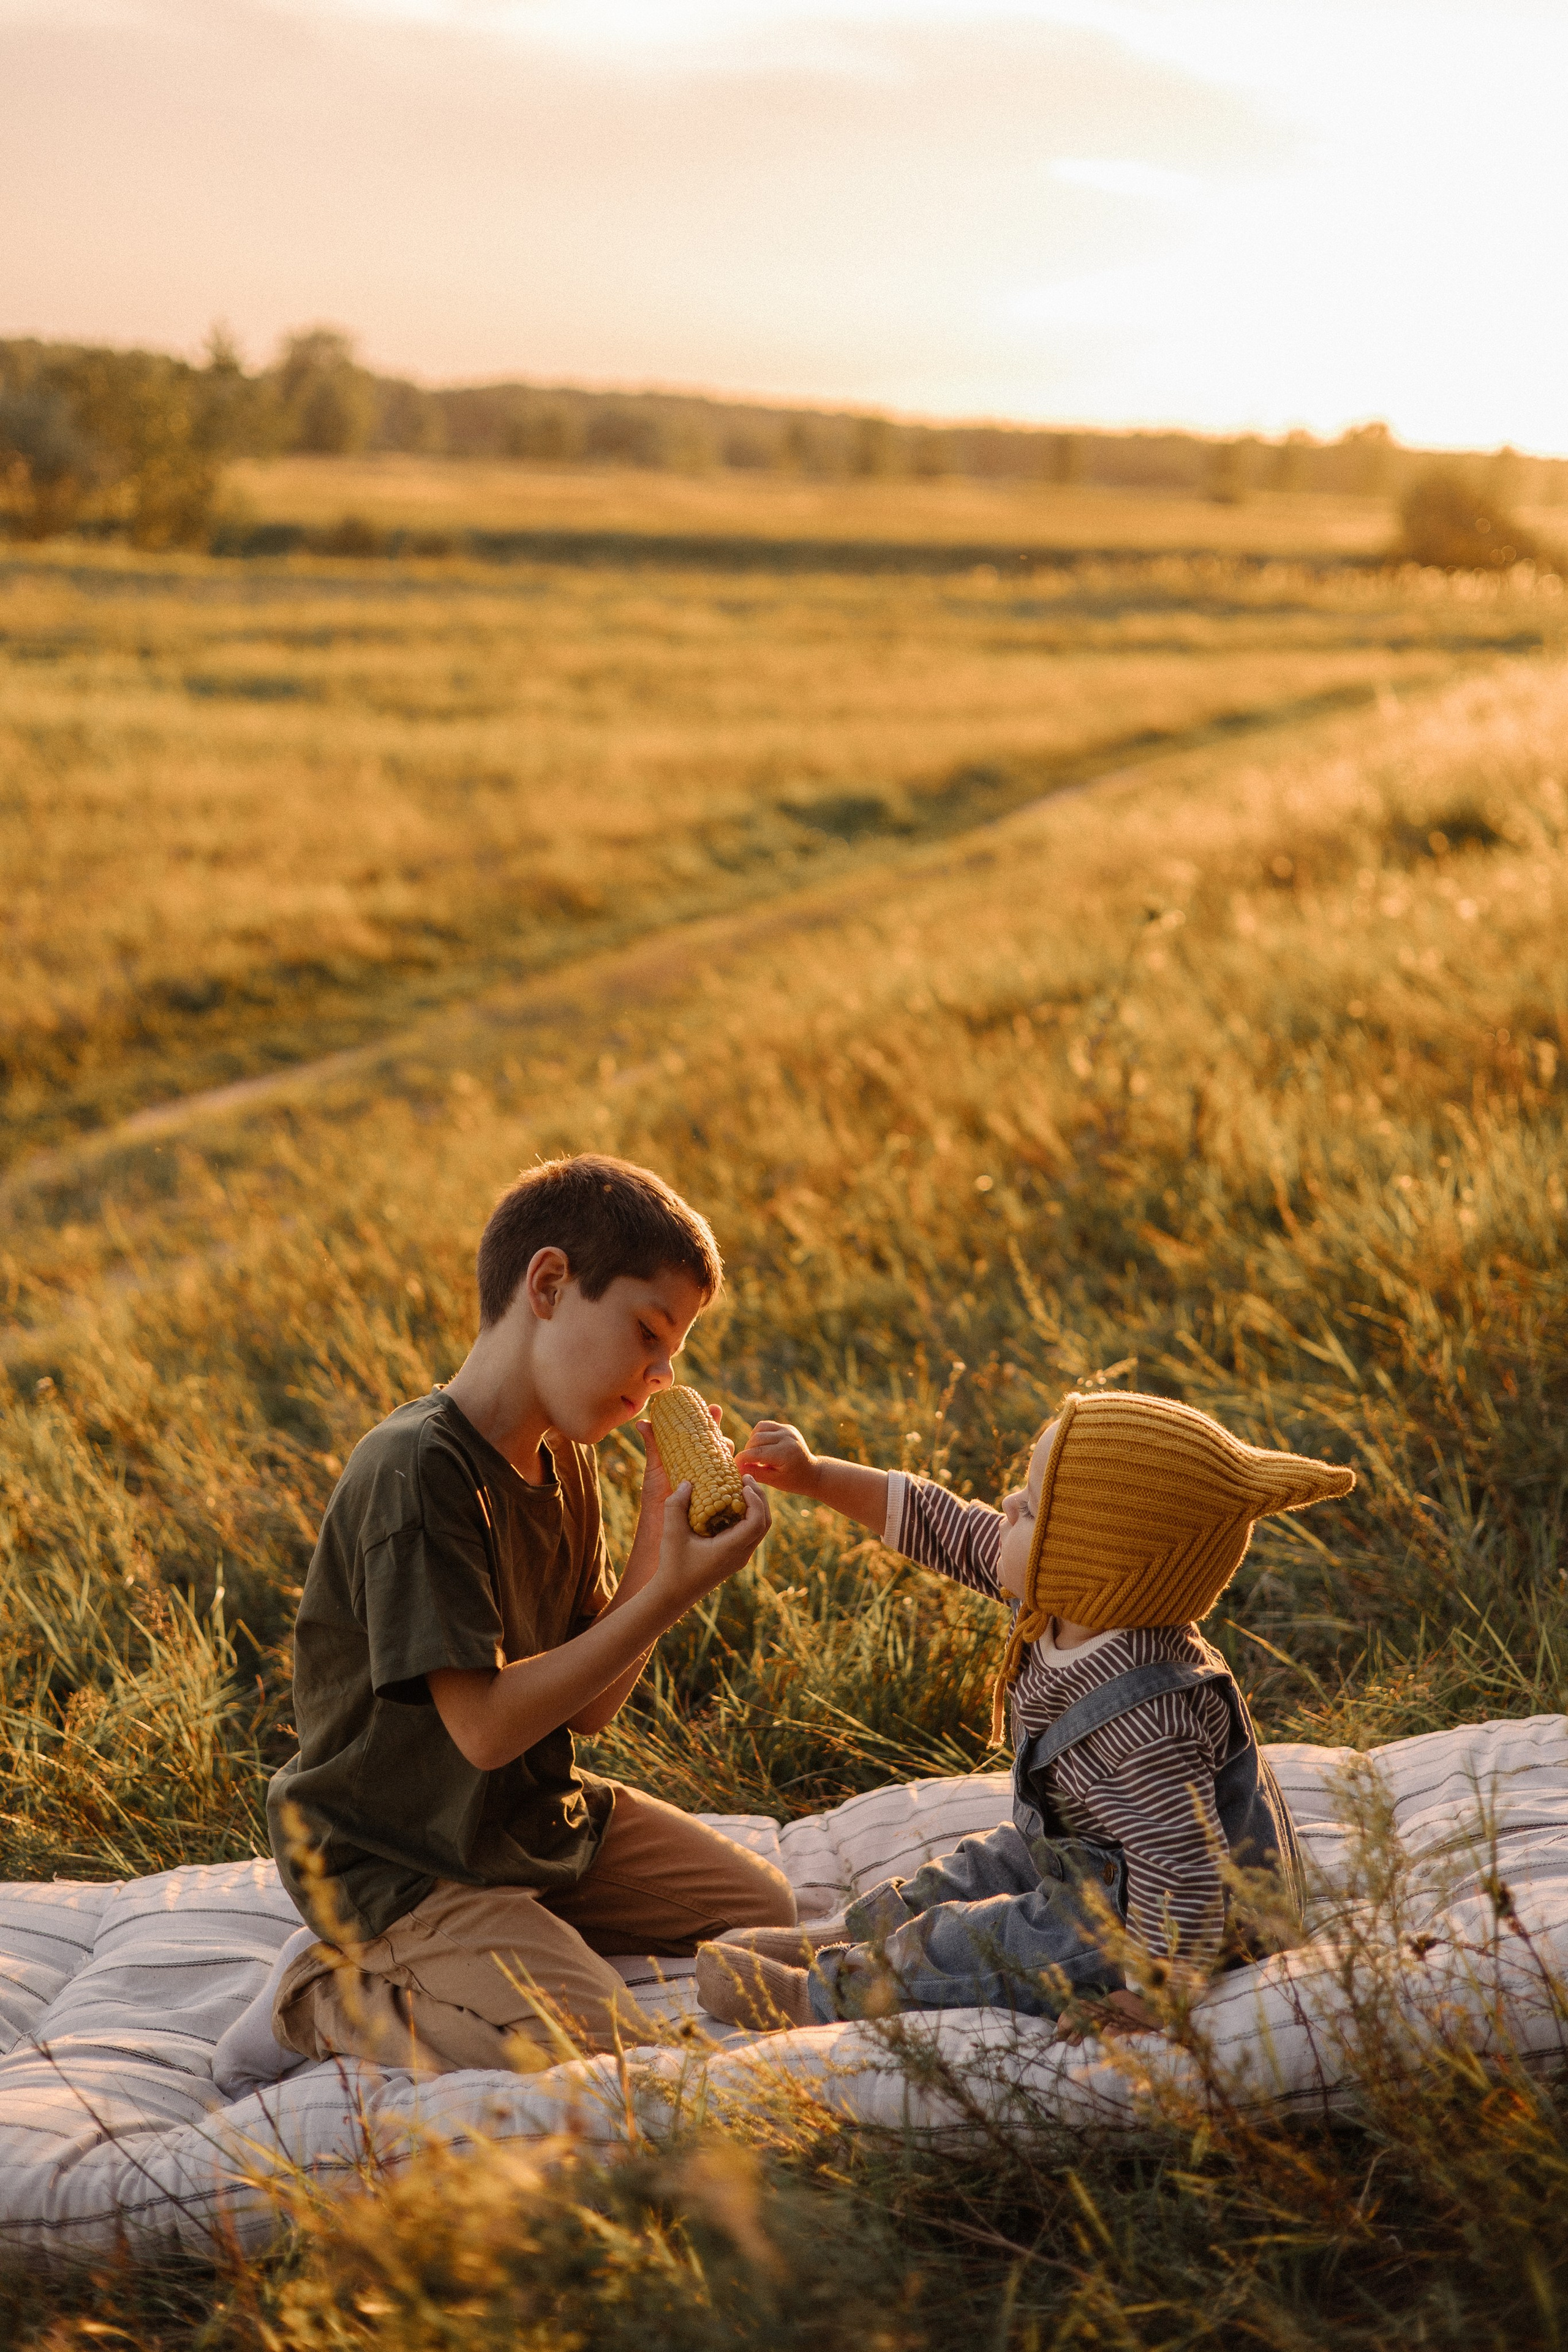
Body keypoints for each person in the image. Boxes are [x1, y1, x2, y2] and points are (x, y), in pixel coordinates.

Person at [266, 1152, 793, 2077]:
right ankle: (326, 1995)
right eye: (647, 1332)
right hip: (404, 1861)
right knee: (606, 2050)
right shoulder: (417, 1471)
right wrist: (669, 1592)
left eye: (675, 1352)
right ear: (548, 1284)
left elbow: (583, 1705)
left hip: (526, 1823)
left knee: (767, 1916)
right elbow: (485, 1728)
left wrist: (663, 1560)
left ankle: (513, 1932)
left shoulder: (567, 1455)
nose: (662, 1375)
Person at [699, 1387, 1354, 2039]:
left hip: (1173, 1928)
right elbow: (940, 1522)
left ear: (1092, 1560)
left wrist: (1152, 1999)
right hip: (1099, 1857)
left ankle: (818, 1995)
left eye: (1032, 1507)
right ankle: (861, 1930)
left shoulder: (1152, 1720)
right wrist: (817, 1476)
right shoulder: (1060, 1596)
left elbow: (1180, 1871)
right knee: (984, 1863)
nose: (1008, 1506)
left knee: (989, 1940)